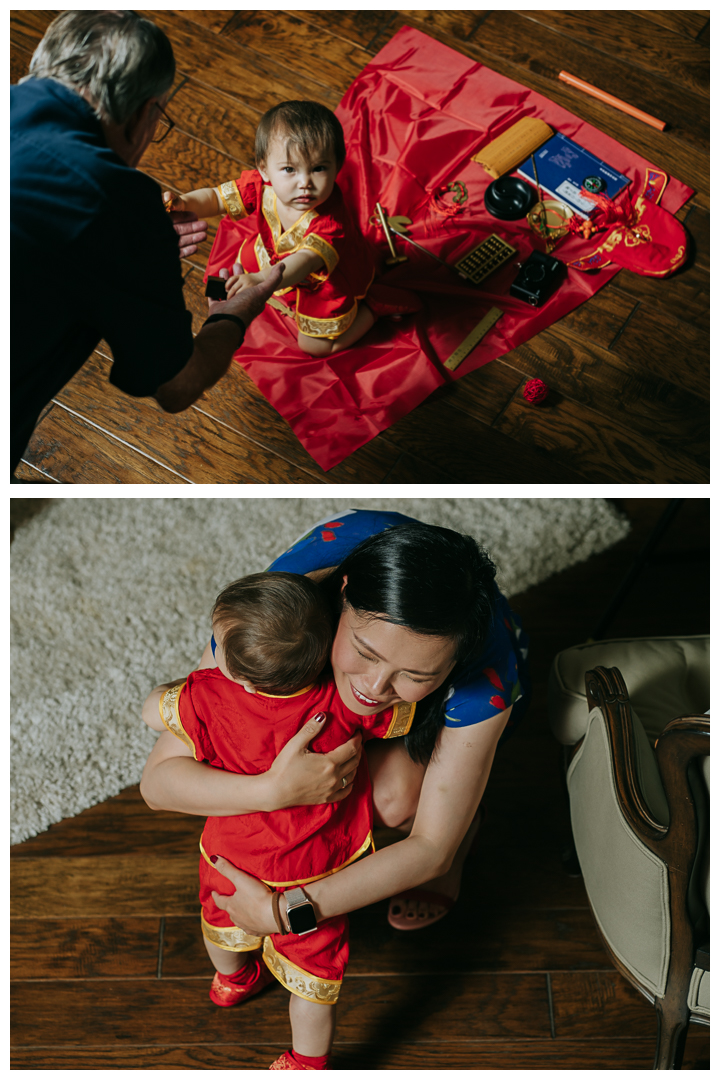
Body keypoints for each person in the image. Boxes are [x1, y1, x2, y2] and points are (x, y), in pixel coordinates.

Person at [140, 510, 530, 949]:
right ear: (342, 595)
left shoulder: (489, 675)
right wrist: (272, 790)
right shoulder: (280, 615)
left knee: (396, 799)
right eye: (365, 651)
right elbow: (157, 784)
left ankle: (468, 822)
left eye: (415, 675)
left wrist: (286, 912)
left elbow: (430, 849)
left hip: (428, 722)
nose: (374, 687)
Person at [142, 570, 416, 1071]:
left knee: (219, 921)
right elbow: (395, 720)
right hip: (319, 869)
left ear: (240, 675)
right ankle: (307, 1060)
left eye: (216, 643)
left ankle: (233, 979)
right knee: (315, 979)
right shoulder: (341, 700)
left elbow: (149, 714)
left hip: (233, 856)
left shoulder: (207, 697)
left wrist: (173, 688)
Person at [11, 10, 282, 479]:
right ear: (143, 115)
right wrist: (233, 315)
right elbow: (177, 385)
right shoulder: (116, 203)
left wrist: (135, 251)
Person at [166, 100, 418, 358]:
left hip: (322, 283)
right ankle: (271, 286)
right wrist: (183, 203)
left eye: (319, 168)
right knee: (236, 271)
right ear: (264, 169)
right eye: (289, 169)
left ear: (337, 166)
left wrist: (259, 280)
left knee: (315, 347)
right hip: (272, 255)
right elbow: (216, 198)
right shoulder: (262, 186)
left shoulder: (331, 223)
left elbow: (304, 262)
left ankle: (373, 310)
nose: (305, 182)